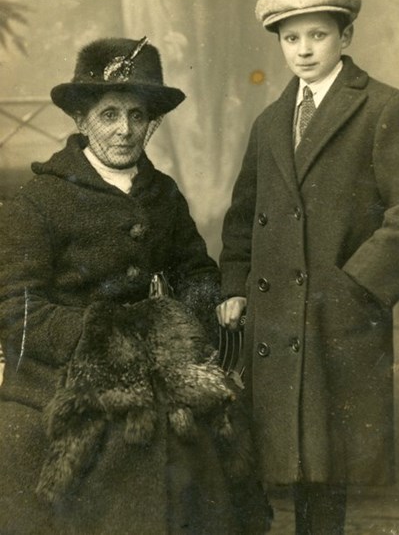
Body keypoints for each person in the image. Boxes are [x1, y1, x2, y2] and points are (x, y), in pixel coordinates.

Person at [0, 37, 268, 535]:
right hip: (60, 373)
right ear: (81, 119)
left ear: (151, 122)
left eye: (137, 116)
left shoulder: (161, 192)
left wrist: (184, 333)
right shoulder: (37, 202)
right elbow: (18, 309)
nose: (124, 130)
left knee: (209, 451)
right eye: (109, 115)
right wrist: (115, 339)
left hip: (156, 367)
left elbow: (197, 274)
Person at [216, 0, 399, 534]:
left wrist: (358, 285)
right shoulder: (271, 121)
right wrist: (235, 285)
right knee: (291, 462)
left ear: (345, 37)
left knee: (328, 465)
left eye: (317, 35)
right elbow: (245, 215)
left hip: (336, 312)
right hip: (277, 316)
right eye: (290, 37)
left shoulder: (383, 106)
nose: (303, 49)